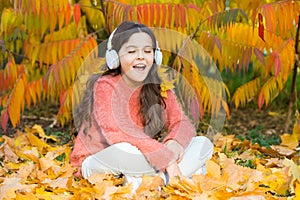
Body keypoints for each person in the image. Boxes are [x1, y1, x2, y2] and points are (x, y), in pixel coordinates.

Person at [70, 21, 214, 191]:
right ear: (115, 58)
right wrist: (165, 157)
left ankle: (152, 181)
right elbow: (117, 132)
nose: (141, 56)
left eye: (147, 51)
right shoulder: (105, 85)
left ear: (156, 56)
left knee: (202, 144)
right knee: (125, 149)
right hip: (99, 158)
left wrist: (174, 142)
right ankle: (176, 176)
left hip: (143, 156)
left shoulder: (159, 86)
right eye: (131, 51)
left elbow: (182, 122)